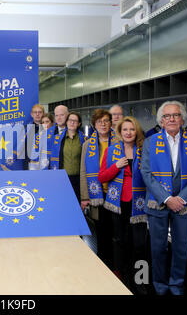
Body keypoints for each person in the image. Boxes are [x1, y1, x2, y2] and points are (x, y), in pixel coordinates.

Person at [141, 101, 187, 295]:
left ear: (182, 119)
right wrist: (167, 198)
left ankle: (176, 285)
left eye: (176, 115)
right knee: (158, 248)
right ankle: (159, 286)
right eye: (167, 116)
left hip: (185, 205)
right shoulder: (150, 141)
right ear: (161, 121)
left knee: (181, 249)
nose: (171, 119)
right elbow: (146, 173)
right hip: (158, 203)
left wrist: (182, 199)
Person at [98, 116, 148, 294]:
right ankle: (121, 277)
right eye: (125, 129)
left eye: (132, 129)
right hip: (118, 204)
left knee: (140, 244)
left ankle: (140, 279)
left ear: (137, 132)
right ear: (120, 132)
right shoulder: (111, 151)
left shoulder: (145, 150)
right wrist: (116, 166)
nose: (128, 132)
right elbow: (102, 177)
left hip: (140, 204)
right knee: (120, 242)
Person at [80, 108, 116, 270]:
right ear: (94, 125)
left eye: (106, 121)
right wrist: (84, 196)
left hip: (116, 194)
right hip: (97, 194)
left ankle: (117, 267)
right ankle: (103, 266)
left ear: (111, 123)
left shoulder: (119, 141)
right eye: (99, 121)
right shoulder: (88, 144)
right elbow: (83, 171)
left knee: (117, 233)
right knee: (101, 232)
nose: (103, 124)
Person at [49, 112, 86, 200]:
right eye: (70, 120)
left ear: (79, 124)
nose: (72, 123)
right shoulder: (56, 139)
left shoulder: (85, 140)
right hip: (62, 178)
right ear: (66, 122)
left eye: (75, 121)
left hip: (78, 180)